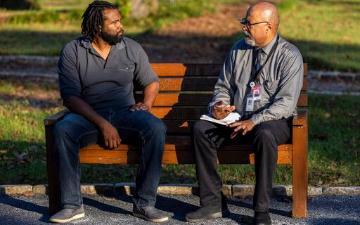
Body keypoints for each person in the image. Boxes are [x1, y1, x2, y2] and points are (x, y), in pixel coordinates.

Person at [49, 1, 168, 223]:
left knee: (156, 128)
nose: (120, 26)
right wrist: (103, 124)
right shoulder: (73, 51)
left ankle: (144, 204)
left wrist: (147, 104)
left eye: (120, 20)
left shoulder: (131, 47)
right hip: (88, 116)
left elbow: (151, 81)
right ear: (97, 27)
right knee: (63, 129)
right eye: (114, 22)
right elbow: (71, 97)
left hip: (126, 113)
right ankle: (72, 205)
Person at [185, 2, 303, 225]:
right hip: (237, 119)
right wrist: (220, 106)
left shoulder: (289, 55)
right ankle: (212, 204)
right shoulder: (238, 49)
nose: (244, 28)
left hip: (271, 121)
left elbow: (286, 104)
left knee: (265, 135)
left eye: (248, 23)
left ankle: (261, 210)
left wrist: (254, 120)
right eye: (244, 23)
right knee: (201, 129)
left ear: (268, 26)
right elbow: (223, 86)